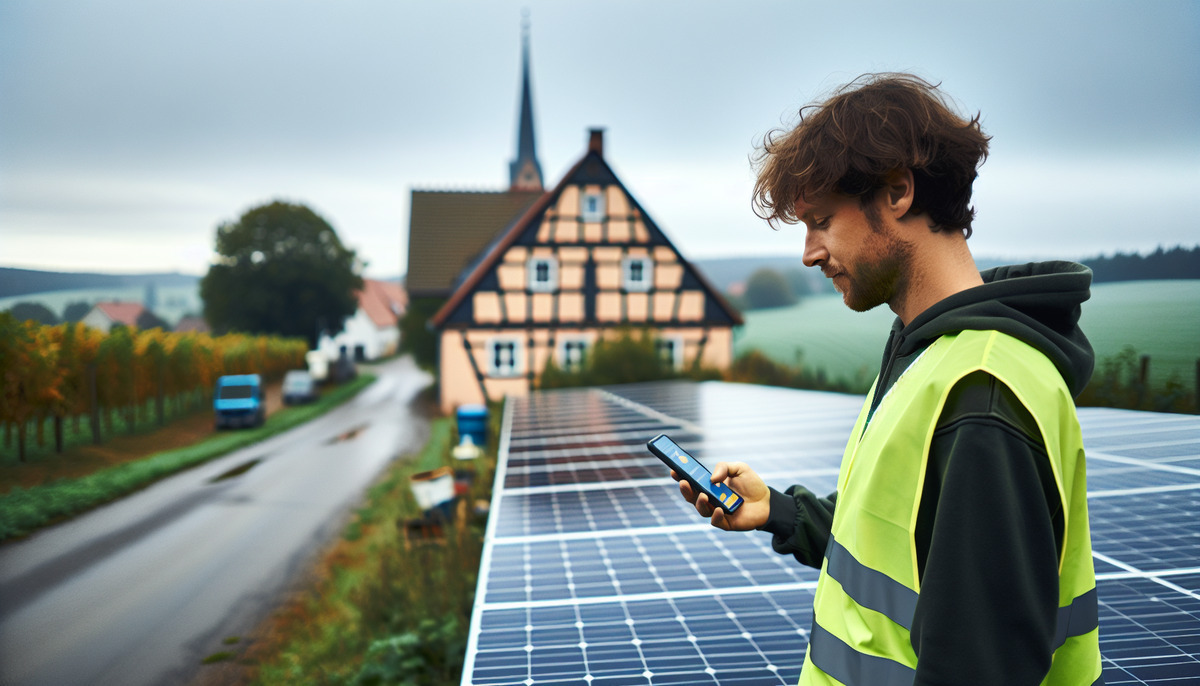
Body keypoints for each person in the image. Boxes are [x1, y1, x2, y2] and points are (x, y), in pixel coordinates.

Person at [673, 74, 1102, 685]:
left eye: (821, 220)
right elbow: (897, 544)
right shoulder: (927, 354)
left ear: (897, 192)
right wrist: (782, 513)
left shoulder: (980, 397)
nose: (809, 252)